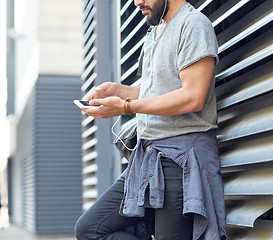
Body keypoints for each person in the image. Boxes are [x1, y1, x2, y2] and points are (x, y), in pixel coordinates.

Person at [74, 0, 226, 239]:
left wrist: (126, 107)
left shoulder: (193, 24)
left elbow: (192, 96)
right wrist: (118, 90)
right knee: (90, 229)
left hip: (181, 159)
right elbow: (155, 89)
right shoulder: (153, 33)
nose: (137, 2)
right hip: (147, 158)